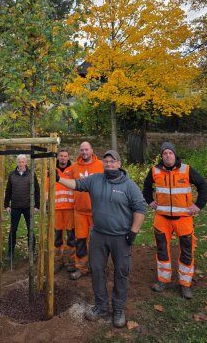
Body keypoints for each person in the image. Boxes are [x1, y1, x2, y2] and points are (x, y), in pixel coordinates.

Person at [57, 149, 146, 329]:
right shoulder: (96, 179)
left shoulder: (129, 185)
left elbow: (140, 208)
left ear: (119, 164)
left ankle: (118, 309)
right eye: (106, 161)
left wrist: (133, 231)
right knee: (97, 270)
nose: (109, 164)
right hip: (98, 235)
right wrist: (58, 178)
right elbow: (76, 184)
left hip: (121, 237)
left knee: (121, 272)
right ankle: (101, 306)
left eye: (112, 161)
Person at [142, 142, 207, 300]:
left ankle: (185, 284)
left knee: (187, 251)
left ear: (174, 154)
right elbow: (146, 186)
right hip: (162, 219)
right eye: (165, 153)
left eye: (170, 153)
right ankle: (163, 280)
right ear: (161, 156)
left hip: (183, 218)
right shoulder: (155, 171)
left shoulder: (186, 170)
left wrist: (198, 205)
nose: (167, 156)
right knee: (162, 250)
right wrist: (150, 201)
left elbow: (203, 186)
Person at [69, 141, 103, 280]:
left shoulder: (101, 165)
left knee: (98, 242)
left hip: (97, 211)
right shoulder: (74, 167)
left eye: (86, 149)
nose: (84, 152)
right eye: (82, 150)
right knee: (81, 241)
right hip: (80, 212)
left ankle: (97, 268)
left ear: (92, 150)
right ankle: (81, 268)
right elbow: (68, 184)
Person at [4, 154, 40, 263]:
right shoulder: (12, 175)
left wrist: (37, 205)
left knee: (30, 230)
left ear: (26, 163)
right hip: (15, 207)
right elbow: (8, 190)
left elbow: (37, 190)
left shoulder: (31, 174)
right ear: (17, 163)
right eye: (19, 162)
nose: (21, 164)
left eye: (22, 162)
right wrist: (6, 205)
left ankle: (31, 252)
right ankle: (10, 253)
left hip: (28, 207)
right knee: (13, 230)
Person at [52, 148, 76, 272]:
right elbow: (47, 188)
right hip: (56, 209)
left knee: (71, 236)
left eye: (65, 156)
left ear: (68, 157)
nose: (63, 158)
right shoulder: (51, 170)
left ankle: (72, 261)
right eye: (61, 156)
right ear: (58, 157)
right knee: (57, 237)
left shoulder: (73, 170)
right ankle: (58, 261)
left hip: (70, 208)